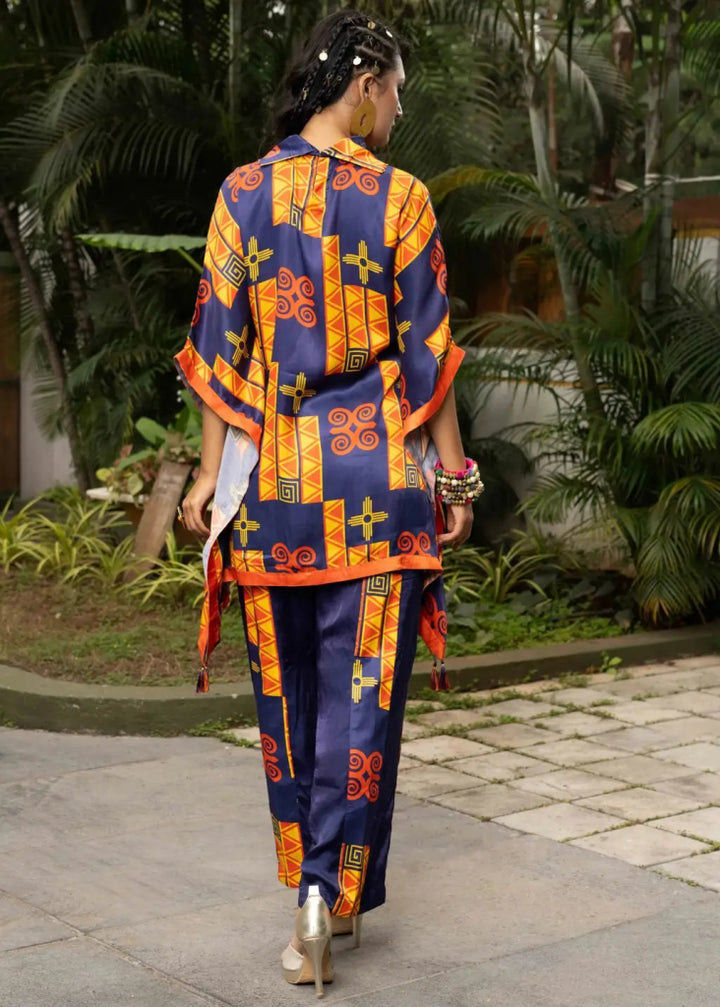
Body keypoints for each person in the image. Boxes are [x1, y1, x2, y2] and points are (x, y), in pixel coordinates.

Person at [175, 8, 482, 996]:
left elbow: (218, 356)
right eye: (395, 90)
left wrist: (204, 477)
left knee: (291, 703)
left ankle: (312, 891)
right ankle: (330, 892)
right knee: (362, 705)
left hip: (274, 491)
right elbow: (430, 356)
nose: (397, 109)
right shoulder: (402, 199)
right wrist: (454, 478)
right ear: (361, 83)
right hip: (378, 490)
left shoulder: (240, 195)